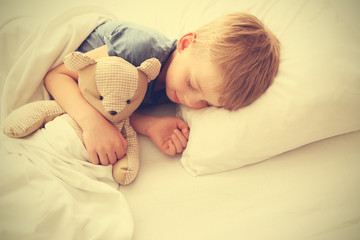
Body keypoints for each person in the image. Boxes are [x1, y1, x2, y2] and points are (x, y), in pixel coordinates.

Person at [44, 12, 280, 166]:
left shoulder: (173, 84)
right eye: (191, 84)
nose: (189, 100)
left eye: (206, 103)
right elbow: (57, 76)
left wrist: (150, 125)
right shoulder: (139, 51)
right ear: (187, 43)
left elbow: (117, 104)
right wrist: (92, 124)